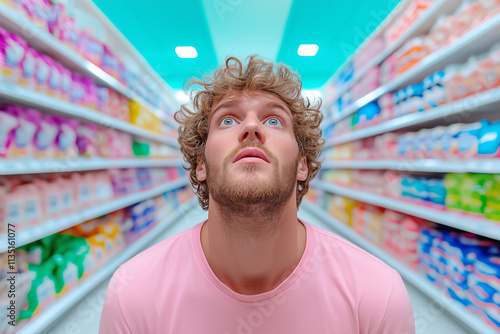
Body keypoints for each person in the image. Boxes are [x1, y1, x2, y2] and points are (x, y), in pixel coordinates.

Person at [99, 56, 415, 333]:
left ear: (302, 164)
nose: (251, 127)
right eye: (227, 120)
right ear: (201, 165)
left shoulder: (377, 295)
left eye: (274, 120)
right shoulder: (133, 294)